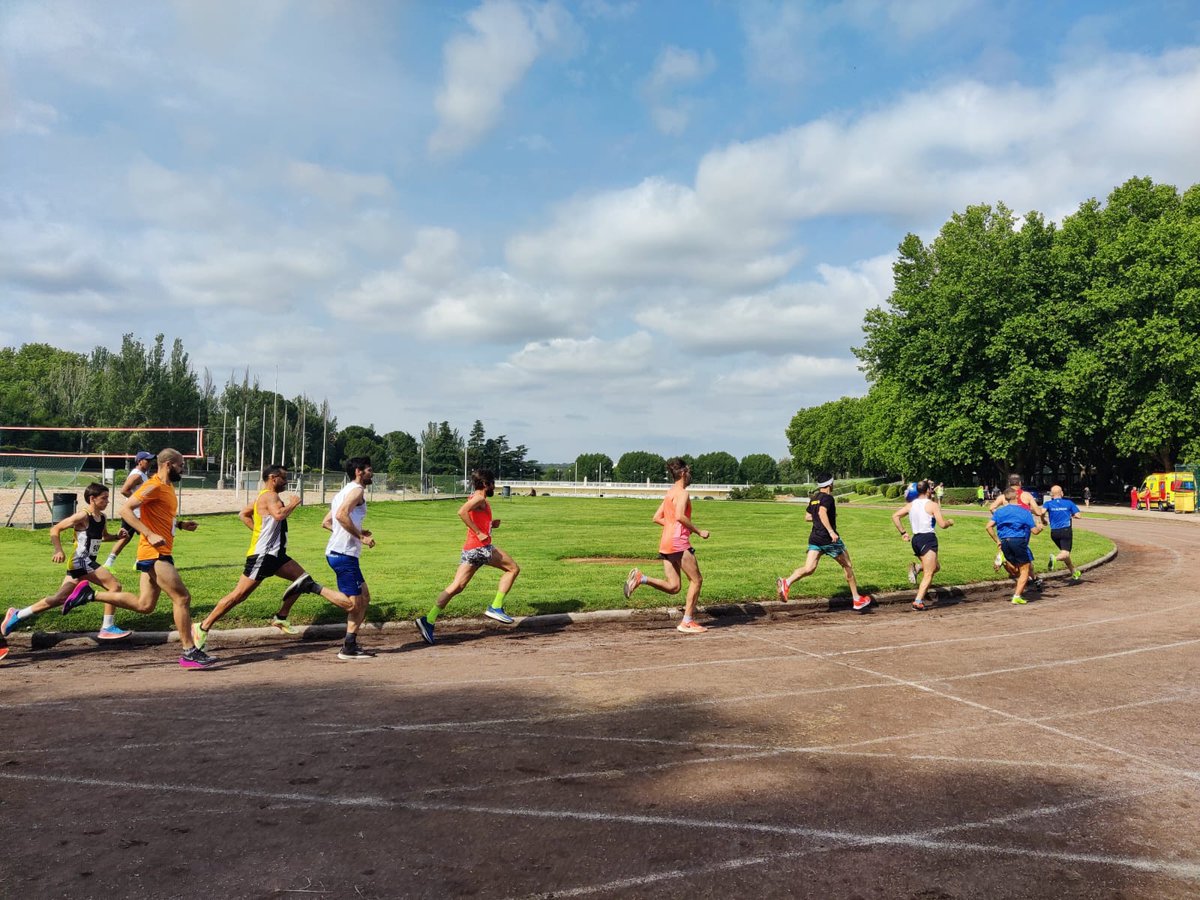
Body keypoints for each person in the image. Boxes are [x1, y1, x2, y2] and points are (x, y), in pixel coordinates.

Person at [58, 449, 215, 668]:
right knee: (182, 598)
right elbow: (125, 510)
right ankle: (189, 651)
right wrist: (149, 534)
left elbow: (159, 515)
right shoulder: (153, 485)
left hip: (159, 551)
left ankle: (90, 595)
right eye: (181, 465)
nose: (183, 468)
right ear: (168, 464)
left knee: (145, 605)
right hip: (154, 553)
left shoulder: (167, 487)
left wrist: (179, 525)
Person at [191, 464, 353, 651]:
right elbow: (278, 515)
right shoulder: (270, 496)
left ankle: (281, 617)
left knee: (303, 580)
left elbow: (243, 514)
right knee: (238, 596)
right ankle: (202, 627)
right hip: (263, 556)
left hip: (276, 555)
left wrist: (259, 532)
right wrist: (293, 503)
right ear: (273, 478)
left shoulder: (263, 496)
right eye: (284, 478)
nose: (286, 482)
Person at [2, 483, 133, 647]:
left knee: (60, 598)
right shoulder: (82, 516)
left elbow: (103, 537)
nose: (107, 501)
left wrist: (116, 536)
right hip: (81, 560)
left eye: (107, 498)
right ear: (92, 499)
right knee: (115, 586)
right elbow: (55, 529)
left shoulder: (103, 517)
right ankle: (107, 626)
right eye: (104, 498)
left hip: (84, 562)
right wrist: (58, 550)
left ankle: (17, 614)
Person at [416, 468, 521, 645]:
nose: (495, 487)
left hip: (470, 549)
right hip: (481, 548)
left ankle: (429, 620)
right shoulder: (479, 498)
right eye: (493, 483)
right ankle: (496, 606)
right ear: (486, 484)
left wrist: (489, 525)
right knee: (513, 569)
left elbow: (472, 515)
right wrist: (479, 532)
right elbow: (462, 512)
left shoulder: (478, 499)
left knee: (457, 586)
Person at [622, 458, 710, 634]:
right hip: (678, 542)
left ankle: (641, 578)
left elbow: (656, 517)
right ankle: (687, 621)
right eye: (689, 471)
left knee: (674, 587)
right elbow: (679, 516)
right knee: (696, 580)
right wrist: (698, 531)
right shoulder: (683, 493)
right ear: (684, 473)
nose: (690, 475)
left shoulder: (669, 493)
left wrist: (671, 525)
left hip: (666, 541)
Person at [776, 474, 872, 612]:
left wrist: (827, 517)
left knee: (809, 568)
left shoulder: (814, 498)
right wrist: (831, 531)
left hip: (815, 538)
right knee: (848, 565)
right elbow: (821, 513)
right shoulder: (828, 498)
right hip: (828, 539)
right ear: (830, 484)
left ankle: (787, 582)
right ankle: (857, 599)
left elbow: (808, 516)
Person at [322, 456, 376, 660]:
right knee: (354, 604)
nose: (372, 473)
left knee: (364, 598)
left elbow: (326, 522)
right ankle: (311, 586)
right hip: (343, 554)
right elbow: (341, 516)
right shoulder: (357, 491)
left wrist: (356, 530)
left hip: (342, 552)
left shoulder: (342, 492)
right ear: (358, 472)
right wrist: (360, 536)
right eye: (369, 470)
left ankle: (350, 645)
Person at [891, 480, 954, 610]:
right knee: (929, 573)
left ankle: (917, 567)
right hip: (928, 539)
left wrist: (903, 533)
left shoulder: (911, 505)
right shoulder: (932, 505)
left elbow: (895, 516)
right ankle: (918, 601)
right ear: (927, 491)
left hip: (916, 540)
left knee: (936, 567)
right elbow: (942, 525)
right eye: (931, 488)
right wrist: (949, 522)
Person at [986, 486, 1044, 605]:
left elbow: (988, 526)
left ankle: (1004, 561)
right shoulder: (1024, 512)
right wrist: (1040, 527)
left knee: (1015, 571)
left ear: (1005, 499)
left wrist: (997, 540)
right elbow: (1035, 531)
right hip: (1018, 541)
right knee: (1025, 570)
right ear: (1017, 496)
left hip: (1004, 542)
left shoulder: (1000, 511)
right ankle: (1016, 596)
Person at [103, 451, 155, 569]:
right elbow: (124, 490)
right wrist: (137, 502)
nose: (150, 463)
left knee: (128, 537)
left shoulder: (142, 474)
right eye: (148, 460)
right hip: (136, 513)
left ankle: (112, 563)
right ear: (139, 461)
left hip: (136, 511)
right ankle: (137, 563)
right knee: (145, 535)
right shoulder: (137, 475)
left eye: (151, 460)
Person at [1043, 485, 1084, 581]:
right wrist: (1072, 515)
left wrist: (1043, 520)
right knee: (1065, 553)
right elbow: (1078, 515)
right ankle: (1055, 558)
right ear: (1062, 493)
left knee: (1064, 553)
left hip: (1054, 533)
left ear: (1052, 495)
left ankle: (1073, 572)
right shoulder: (1068, 503)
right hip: (1066, 531)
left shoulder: (1048, 503)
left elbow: (1041, 512)